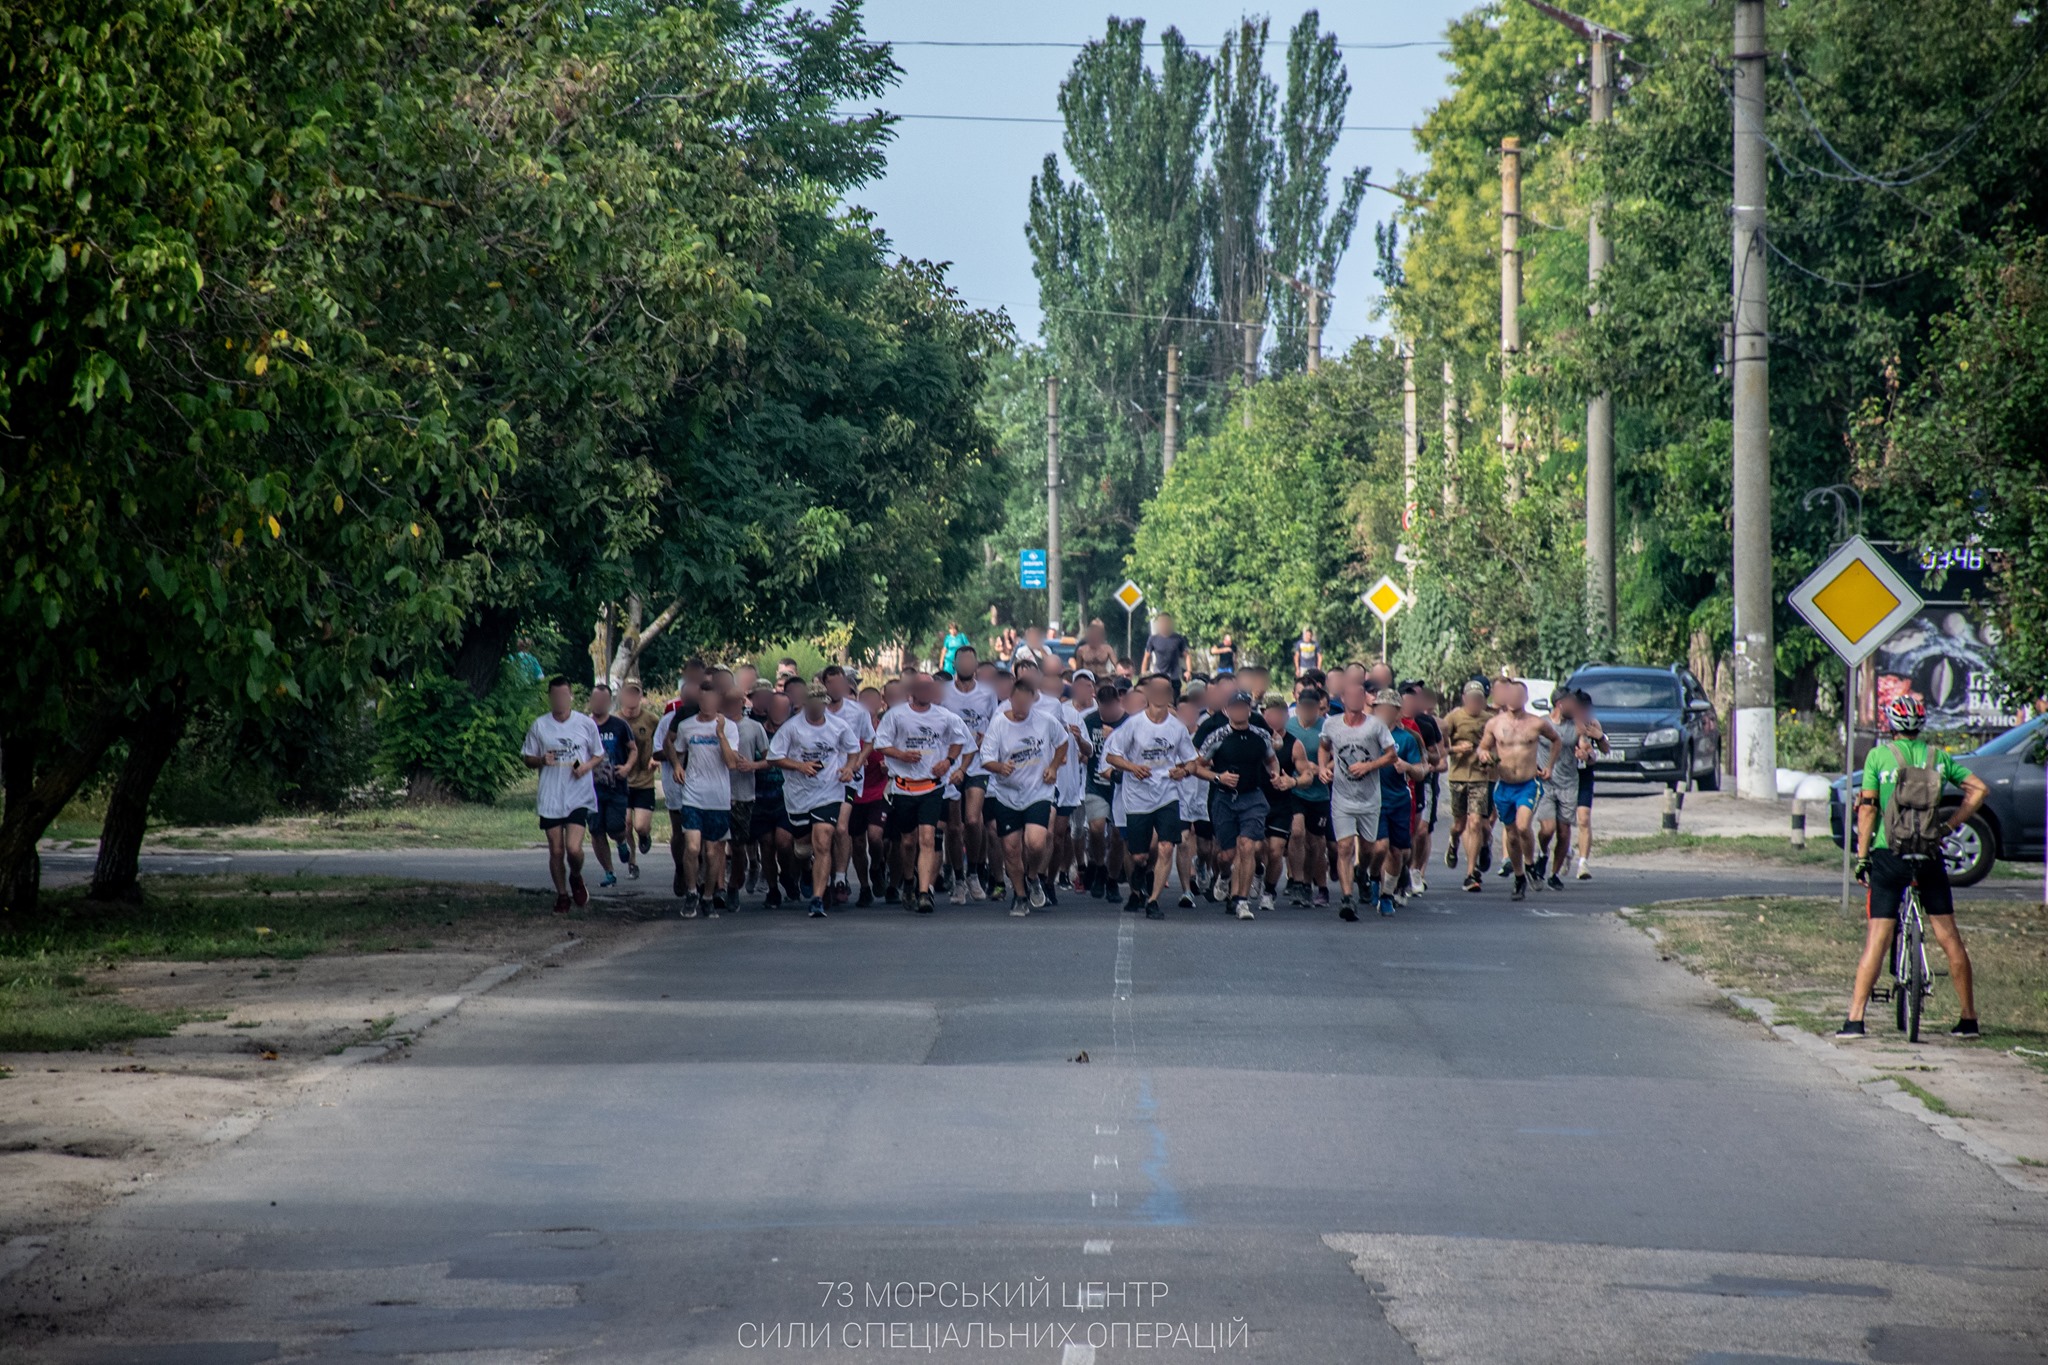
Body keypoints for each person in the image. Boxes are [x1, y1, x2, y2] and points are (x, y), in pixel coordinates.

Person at [1836, 695, 1989, 1039]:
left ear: (1891, 724)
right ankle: (1968, 1019)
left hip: (1888, 855)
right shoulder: (1938, 758)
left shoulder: (1878, 756)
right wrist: (1950, 825)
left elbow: (1868, 810)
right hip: (1929, 854)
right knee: (1949, 936)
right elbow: (1979, 789)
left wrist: (1862, 858)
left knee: (1878, 936)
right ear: (1921, 725)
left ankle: (1855, 1020)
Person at [1101, 673, 1199, 919]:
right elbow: (1112, 757)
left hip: (1167, 794)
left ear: (1169, 696)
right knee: (1139, 854)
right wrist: (1133, 768)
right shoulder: (1133, 725)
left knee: (1166, 847)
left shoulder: (1177, 728)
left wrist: (1183, 771)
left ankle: (1153, 901)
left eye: (1164, 690)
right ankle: (1141, 869)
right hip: (1137, 797)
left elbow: (1193, 762)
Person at [873, 674, 971, 914]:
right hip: (904, 787)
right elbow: (881, 744)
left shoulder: (945, 716)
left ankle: (924, 892)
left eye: (930, 687)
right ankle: (909, 882)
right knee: (908, 842)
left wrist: (949, 761)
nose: (927, 691)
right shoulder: (896, 715)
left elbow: (961, 740)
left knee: (928, 838)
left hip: (932, 786)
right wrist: (901, 755)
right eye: (922, 687)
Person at [1192, 689, 1290, 920]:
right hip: (1224, 799)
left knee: (1247, 846)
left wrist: (1275, 775)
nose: (1240, 711)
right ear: (1227, 710)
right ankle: (1224, 876)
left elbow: (1271, 759)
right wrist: (1219, 777)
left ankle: (1241, 901)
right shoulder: (1218, 736)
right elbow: (1197, 766)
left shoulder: (1260, 735)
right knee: (1226, 855)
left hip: (1252, 797)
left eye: (1244, 707)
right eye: (1235, 707)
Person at [768, 683, 862, 917]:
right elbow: (773, 757)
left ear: (826, 704)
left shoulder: (838, 727)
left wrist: (849, 768)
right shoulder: (791, 728)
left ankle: (818, 898)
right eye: (813, 703)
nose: (817, 707)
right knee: (801, 849)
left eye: (821, 703)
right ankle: (807, 869)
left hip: (829, 791)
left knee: (823, 840)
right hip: (798, 795)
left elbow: (853, 750)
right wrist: (800, 765)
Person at [979, 675, 1069, 915]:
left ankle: (1032, 877)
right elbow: (985, 758)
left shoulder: (1046, 720)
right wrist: (1000, 767)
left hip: (1038, 791)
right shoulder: (999, 723)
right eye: (1017, 704)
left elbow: (1063, 743)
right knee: (1010, 848)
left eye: (1025, 704)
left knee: (1036, 842)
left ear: (1032, 701)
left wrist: (1053, 766)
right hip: (1007, 794)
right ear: (1010, 699)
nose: (1021, 709)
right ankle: (1019, 895)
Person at [657, 682, 746, 917]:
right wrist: (677, 765)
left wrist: (720, 734)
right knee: (693, 846)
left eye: (711, 701)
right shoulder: (687, 726)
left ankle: (708, 895)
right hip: (693, 794)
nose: (707, 705)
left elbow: (731, 763)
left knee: (712, 851)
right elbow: (674, 748)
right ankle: (691, 892)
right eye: (703, 700)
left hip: (718, 797)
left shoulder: (729, 727)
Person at [521, 677, 605, 913]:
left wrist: (586, 767)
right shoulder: (540, 725)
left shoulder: (585, 724)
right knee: (556, 850)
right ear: (550, 697)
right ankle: (562, 895)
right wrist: (540, 760)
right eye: (555, 696)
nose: (560, 700)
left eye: (564, 695)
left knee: (573, 848)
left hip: (578, 793)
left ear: (571, 697)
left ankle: (576, 876)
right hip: (551, 795)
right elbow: (527, 757)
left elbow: (598, 754)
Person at [1476, 679, 1563, 902]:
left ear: (1524, 699)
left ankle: (1531, 864)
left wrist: (1550, 766)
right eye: (1510, 695)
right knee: (1512, 835)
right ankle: (1519, 876)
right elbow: (1483, 747)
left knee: (1524, 825)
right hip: (1504, 786)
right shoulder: (1495, 724)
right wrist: (1484, 755)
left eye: (1518, 695)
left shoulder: (1535, 723)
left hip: (1528, 784)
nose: (1513, 699)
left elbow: (1556, 740)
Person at [1319, 678, 1397, 921]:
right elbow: (1324, 747)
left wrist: (1369, 766)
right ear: (1343, 699)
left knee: (1369, 849)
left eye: (1359, 696)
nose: (1354, 700)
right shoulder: (1331, 724)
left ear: (1364, 699)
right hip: (1342, 797)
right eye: (1350, 696)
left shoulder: (1375, 726)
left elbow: (1392, 756)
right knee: (1344, 847)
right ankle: (1346, 898)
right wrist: (1323, 768)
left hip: (1369, 798)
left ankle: (1361, 873)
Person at [938, 646, 998, 903]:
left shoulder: (987, 693)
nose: (966, 664)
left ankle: (974, 871)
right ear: (955, 663)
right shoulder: (944, 693)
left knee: (973, 821)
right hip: (950, 765)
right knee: (954, 827)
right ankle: (959, 879)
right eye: (961, 660)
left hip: (977, 764)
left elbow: (996, 723)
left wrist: (989, 739)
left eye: (970, 660)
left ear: (975, 665)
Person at [1372, 689, 1429, 916]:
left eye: (1388, 708)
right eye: (1379, 708)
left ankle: (1387, 894)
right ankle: (1374, 875)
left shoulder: (1408, 739)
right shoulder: (1367, 734)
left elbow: (1421, 771)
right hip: (1373, 800)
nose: (1382, 712)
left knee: (1399, 852)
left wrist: (1407, 766)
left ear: (1397, 712)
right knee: (1379, 848)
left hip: (1398, 800)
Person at [585, 683, 640, 887]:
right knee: (596, 830)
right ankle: (609, 872)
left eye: (602, 700)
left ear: (609, 702)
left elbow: (633, 749)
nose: (598, 704)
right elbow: (574, 754)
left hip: (616, 786)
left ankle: (621, 841)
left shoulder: (619, 725)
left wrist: (626, 767)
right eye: (595, 699)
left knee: (616, 826)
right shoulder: (583, 725)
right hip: (591, 789)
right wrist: (578, 768)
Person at [1443, 679, 1495, 892]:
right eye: (1472, 698)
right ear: (1464, 698)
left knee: (1476, 822)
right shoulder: (1453, 718)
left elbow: (1498, 750)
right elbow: (1440, 748)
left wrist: (1491, 759)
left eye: (1479, 699)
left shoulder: (1490, 721)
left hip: (1480, 778)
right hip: (1458, 777)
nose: (1475, 702)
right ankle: (1453, 841)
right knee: (1459, 825)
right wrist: (1455, 750)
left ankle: (1471, 873)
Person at [720, 688, 770, 903]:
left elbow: (771, 759)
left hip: (743, 794)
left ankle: (735, 882)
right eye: (726, 701)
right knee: (716, 844)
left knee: (738, 845)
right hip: (717, 794)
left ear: (743, 702)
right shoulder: (716, 726)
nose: (730, 706)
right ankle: (719, 887)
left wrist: (753, 765)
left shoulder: (754, 727)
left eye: (735, 701)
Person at [1532, 690, 1585, 890]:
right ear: (1561, 704)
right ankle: (1543, 853)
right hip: (1546, 783)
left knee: (1564, 832)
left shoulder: (1577, 725)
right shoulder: (1542, 723)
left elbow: (1585, 747)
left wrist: (1584, 752)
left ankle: (1553, 874)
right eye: (1572, 704)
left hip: (1569, 784)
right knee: (1547, 829)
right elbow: (1528, 745)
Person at [1082, 681, 1129, 900]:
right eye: (1103, 709)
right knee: (1096, 829)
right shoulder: (1089, 721)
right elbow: (1084, 753)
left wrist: (1114, 735)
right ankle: (1099, 866)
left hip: (1121, 787)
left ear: (1118, 703)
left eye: (1111, 708)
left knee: (1119, 836)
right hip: (1095, 784)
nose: (1107, 713)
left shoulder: (1129, 723)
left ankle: (1112, 879)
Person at [1286, 686, 1332, 906]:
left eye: (1311, 707)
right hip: (1296, 790)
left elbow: (1337, 756)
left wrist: (1323, 767)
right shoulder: (1289, 726)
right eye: (1303, 706)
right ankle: (1298, 882)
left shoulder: (1327, 728)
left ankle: (1316, 884)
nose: (1307, 710)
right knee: (1296, 833)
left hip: (1319, 793)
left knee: (1316, 843)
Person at [1400, 683, 1444, 893]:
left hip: (1422, 782)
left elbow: (1437, 756)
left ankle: (1415, 870)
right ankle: (1398, 874)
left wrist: (1424, 758)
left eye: (1415, 700)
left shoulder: (1425, 725)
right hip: (1396, 783)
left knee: (1421, 830)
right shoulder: (1385, 724)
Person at [1568, 689, 1607, 879]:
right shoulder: (1564, 725)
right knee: (1563, 821)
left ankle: (1583, 863)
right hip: (1564, 776)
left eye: (1585, 709)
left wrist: (1599, 737)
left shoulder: (1593, 724)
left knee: (1583, 818)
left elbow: (1605, 751)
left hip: (1584, 775)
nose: (1582, 713)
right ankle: (1566, 851)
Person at [1141, 613, 1191, 681]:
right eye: (1161, 622)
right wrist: (1143, 674)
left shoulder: (1178, 638)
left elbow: (1187, 655)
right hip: (1159, 675)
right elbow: (1147, 657)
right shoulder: (1153, 639)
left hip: (1174, 676)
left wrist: (1189, 671)